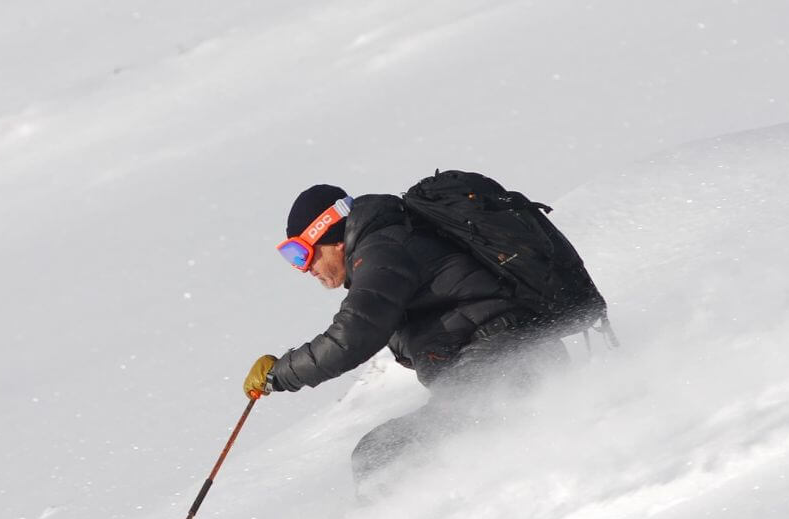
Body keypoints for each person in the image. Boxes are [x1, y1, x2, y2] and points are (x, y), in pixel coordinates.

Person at [243, 182, 571, 491]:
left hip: (503, 364)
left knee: (381, 455)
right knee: (396, 453)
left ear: (330, 236)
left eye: (301, 253)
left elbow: (355, 334)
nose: (303, 268)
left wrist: (280, 373)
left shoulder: (382, 249)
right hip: (501, 366)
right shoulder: (386, 246)